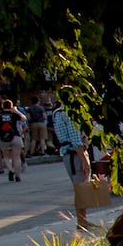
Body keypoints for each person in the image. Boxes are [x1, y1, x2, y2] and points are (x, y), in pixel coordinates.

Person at [52, 89, 98, 230]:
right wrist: (85, 161)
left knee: (80, 188)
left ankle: (83, 220)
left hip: (69, 154)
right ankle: (82, 221)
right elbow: (76, 140)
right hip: (75, 154)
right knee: (81, 188)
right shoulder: (70, 114)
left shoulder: (57, 113)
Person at [0, 99, 27, 182]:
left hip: (3, 137)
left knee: (6, 156)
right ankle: (18, 175)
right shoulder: (14, 114)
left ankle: (11, 170)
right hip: (15, 136)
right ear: (11, 106)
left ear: (2, 106)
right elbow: (24, 119)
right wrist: (16, 111)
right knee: (16, 157)